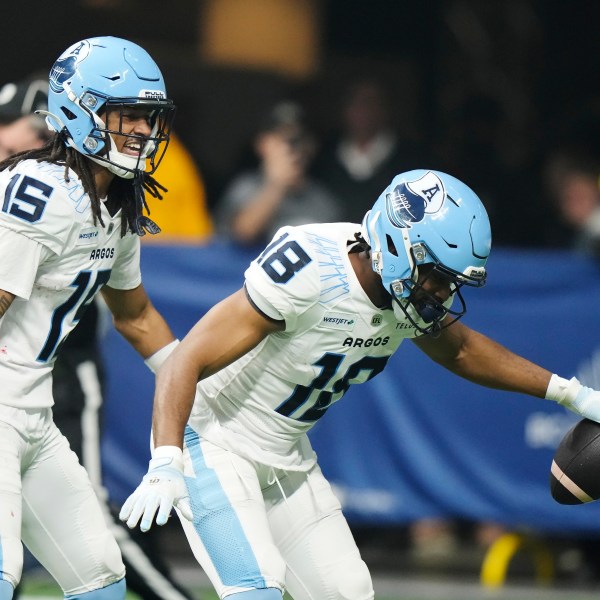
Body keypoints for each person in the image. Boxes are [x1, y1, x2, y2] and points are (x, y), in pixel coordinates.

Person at [120, 168, 600, 600]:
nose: (441, 294)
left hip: (288, 457)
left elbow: (462, 350)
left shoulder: (404, 289)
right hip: (215, 438)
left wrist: (572, 393)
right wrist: (166, 460)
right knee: (254, 591)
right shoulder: (310, 268)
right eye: (436, 278)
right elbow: (187, 360)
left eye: (451, 283)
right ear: (395, 246)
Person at [0, 36, 182, 600]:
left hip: (33, 413)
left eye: (148, 119)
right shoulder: (39, 189)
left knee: (99, 572)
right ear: (78, 109)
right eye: (127, 117)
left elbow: (135, 315)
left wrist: (200, 377)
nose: (141, 133)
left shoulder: (114, 202)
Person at [216, 100, 342, 246]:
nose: (290, 148)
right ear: (261, 144)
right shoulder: (244, 187)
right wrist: (276, 185)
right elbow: (242, 235)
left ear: (312, 145)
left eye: (297, 139)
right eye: (281, 138)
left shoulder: (324, 201)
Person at [313, 78, 427, 224]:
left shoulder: (412, 159)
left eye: (370, 102)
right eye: (355, 101)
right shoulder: (323, 157)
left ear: (386, 109)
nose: (363, 110)